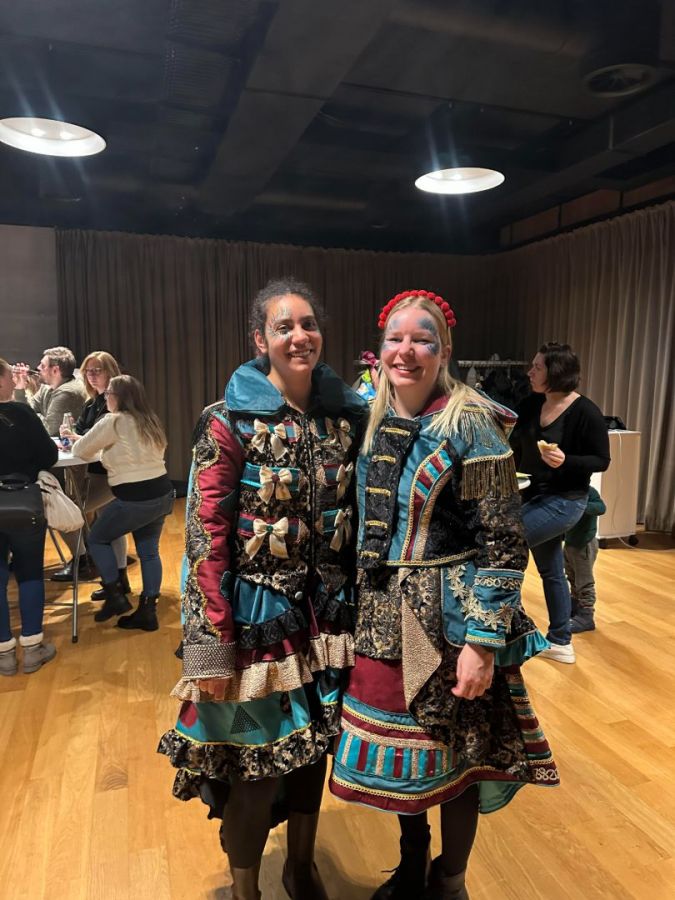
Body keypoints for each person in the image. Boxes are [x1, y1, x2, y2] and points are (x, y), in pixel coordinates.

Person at [329, 291, 558, 900]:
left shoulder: (472, 424)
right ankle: (411, 866)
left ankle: (449, 881)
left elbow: (503, 544)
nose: (406, 351)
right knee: (410, 766)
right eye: (395, 339)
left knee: (458, 761)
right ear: (379, 350)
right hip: (379, 619)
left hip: (451, 623)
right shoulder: (368, 417)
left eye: (422, 339)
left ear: (445, 350)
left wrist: (482, 643)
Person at [158, 278, 367, 900]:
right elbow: (205, 536)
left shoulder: (346, 417)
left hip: (328, 618)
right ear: (260, 340)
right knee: (255, 764)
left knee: (312, 752)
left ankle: (300, 868)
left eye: (308, 324)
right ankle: (245, 890)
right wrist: (210, 645)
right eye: (283, 327)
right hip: (255, 616)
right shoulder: (226, 421)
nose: (299, 336)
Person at [511, 343, 610, 664]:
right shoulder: (531, 404)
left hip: (565, 502)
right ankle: (560, 641)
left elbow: (601, 460)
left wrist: (567, 461)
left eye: (537, 367)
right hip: (533, 496)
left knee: (506, 545)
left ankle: (503, 631)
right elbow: (511, 439)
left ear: (555, 372)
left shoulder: (585, 412)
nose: (530, 372)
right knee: (551, 571)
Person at [62, 375, 174, 630]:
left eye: (108, 393)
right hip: (162, 493)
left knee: (96, 539)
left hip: (135, 498)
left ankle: (115, 596)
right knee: (149, 552)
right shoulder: (150, 420)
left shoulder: (112, 421)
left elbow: (80, 451)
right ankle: (148, 612)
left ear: (118, 397)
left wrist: (100, 449)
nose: (105, 398)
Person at [0, 357, 59, 675]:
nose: (15, 380)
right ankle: (33, 648)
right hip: (22, 500)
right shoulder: (21, 413)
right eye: (10, 376)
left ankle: (4, 653)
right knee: (30, 573)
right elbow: (49, 455)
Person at [51, 351, 128, 588]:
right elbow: (82, 433)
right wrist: (74, 435)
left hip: (112, 474)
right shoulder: (92, 403)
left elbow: (97, 438)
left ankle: (84, 560)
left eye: (97, 370)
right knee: (110, 524)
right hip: (95, 472)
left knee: (67, 513)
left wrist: (77, 437)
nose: (91, 375)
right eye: (88, 371)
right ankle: (117, 581)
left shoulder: (117, 402)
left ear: (110, 372)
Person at [13, 346, 86, 436]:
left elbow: (49, 430)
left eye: (43, 366)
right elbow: (27, 412)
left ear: (55, 370)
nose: (38, 367)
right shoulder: (47, 387)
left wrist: (32, 415)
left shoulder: (67, 393)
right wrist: (20, 387)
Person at [565, 485, 606, 634]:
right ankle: (575, 605)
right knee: (572, 576)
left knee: (584, 581)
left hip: (584, 544)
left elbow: (601, 508)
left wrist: (581, 506)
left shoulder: (589, 491)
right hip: (570, 542)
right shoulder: (565, 490)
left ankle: (586, 615)